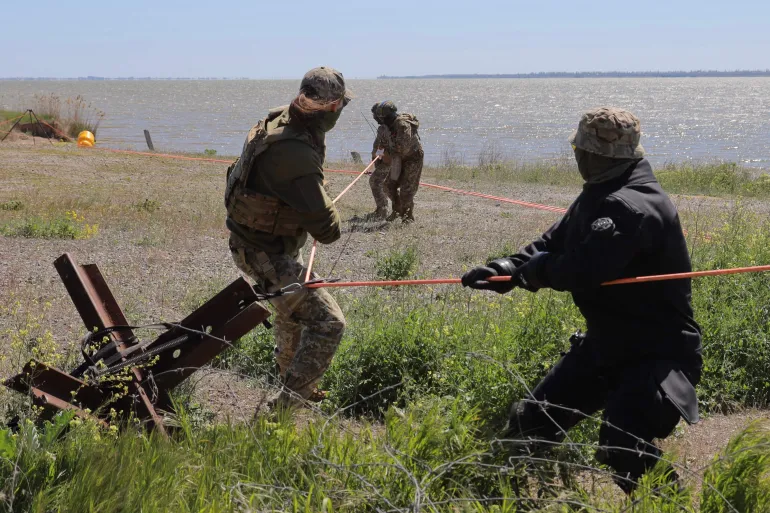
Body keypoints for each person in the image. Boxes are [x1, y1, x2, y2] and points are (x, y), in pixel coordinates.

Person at [461, 107, 702, 494]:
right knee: (531, 424)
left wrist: (534, 273)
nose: (577, 158)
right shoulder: (602, 190)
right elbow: (554, 242)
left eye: (578, 150)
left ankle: (667, 504)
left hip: (656, 353)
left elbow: (583, 269)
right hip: (607, 344)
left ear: (592, 155)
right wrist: (505, 269)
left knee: (623, 446)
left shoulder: (630, 205)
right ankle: (503, 497)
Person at [225, 66, 350, 409]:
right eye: (341, 105)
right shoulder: (295, 152)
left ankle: (289, 380)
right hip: (263, 253)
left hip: (258, 243)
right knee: (328, 322)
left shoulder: (281, 120)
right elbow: (328, 231)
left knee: (292, 313)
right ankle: (288, 406)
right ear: (332, 107)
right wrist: (322, 201)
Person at [373, 101, 424, 223]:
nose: (381, 120)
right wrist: (380, 152)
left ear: (390, 116)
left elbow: (403, 147)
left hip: (413, 158)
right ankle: (397, 210)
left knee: (406, 189)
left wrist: (388, 154)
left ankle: (407, 216)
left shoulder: (402, 125)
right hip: (398, 158)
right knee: (388, 185)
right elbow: (383, 143)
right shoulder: (387, 126)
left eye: (383, 118)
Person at [368, 102, 393, 219]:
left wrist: (381, 155)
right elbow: (380, 145)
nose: (375, 118)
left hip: (390, 161)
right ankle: (382, 209)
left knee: (375, 181)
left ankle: (383, 211)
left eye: (376, 115)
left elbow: (390, 147)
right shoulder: (382, 128)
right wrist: (376, 156)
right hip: (382, 160)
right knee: (382, 184)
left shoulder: (390, 128)